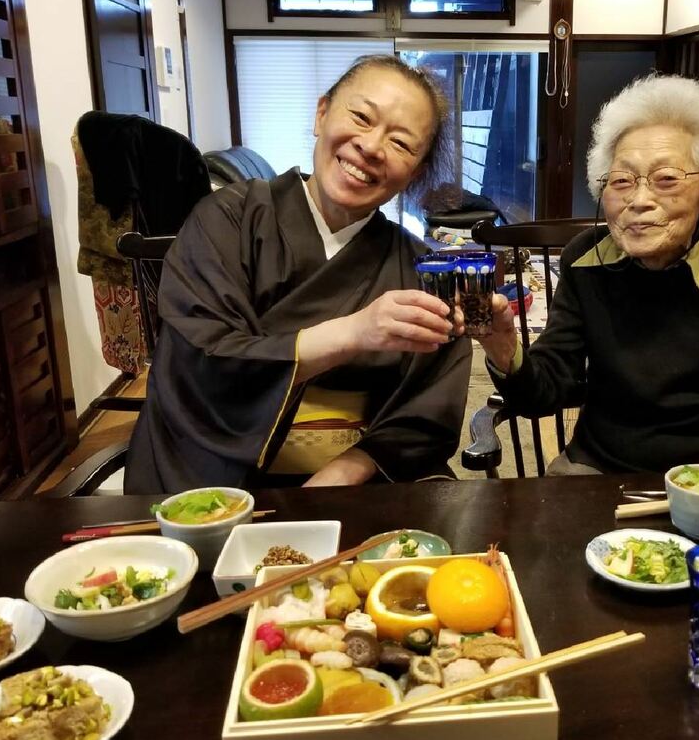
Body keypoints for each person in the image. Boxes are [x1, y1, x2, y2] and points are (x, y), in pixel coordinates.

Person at [125, 55, 472, 493]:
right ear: (321, 113)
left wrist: (349, 468)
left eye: (401, 143)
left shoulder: (419, 265)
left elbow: (428, 408)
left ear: (415, 173)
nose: (371, 146)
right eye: (361, 117)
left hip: (355, 489)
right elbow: (201, 360)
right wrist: (355, 332)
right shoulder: (228, 220)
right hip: (218, 485)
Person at [477, 74, 699, 475]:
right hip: (596, 471)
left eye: (666, 180)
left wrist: (695, 496)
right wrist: (505, 350)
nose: (639, 201)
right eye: (622, 181)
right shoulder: (586, 260)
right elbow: (547, 389)